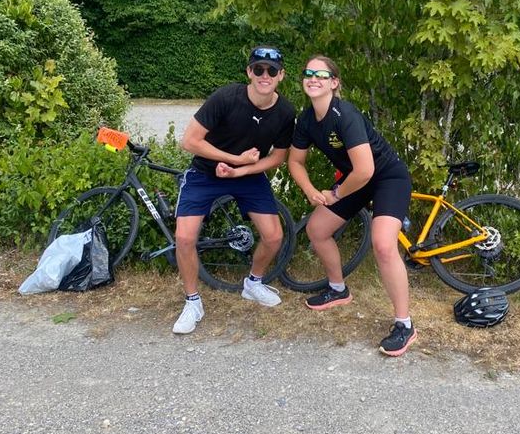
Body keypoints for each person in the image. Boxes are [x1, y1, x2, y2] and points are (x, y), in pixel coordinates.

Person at [288, 55, 416, 357]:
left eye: (321, 74)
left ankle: (404, 324)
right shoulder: (306, 120)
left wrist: (334, 194)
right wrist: (309, 190)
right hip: (356, 179)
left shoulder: (344, 114)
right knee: (317, 229)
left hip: (387, 177)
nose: (313, 78)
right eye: (308, 73)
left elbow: (365, 171)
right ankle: (337, 289)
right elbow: (295, 161)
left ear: (334, 83)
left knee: (383, 245)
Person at [172, 46, 296, 335]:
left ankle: (253, 283)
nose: (265, 75)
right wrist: (232, 159)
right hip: (206, 172)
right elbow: (189, 141)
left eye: (272, 71)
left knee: (274, 236)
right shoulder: (226, 97)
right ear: (249, 73)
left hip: (247, 176)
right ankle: (193, 302)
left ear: (281, 76)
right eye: (259, 69)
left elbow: (277, 157)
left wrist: (240, 170)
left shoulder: (285, 112)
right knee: (184, 236)